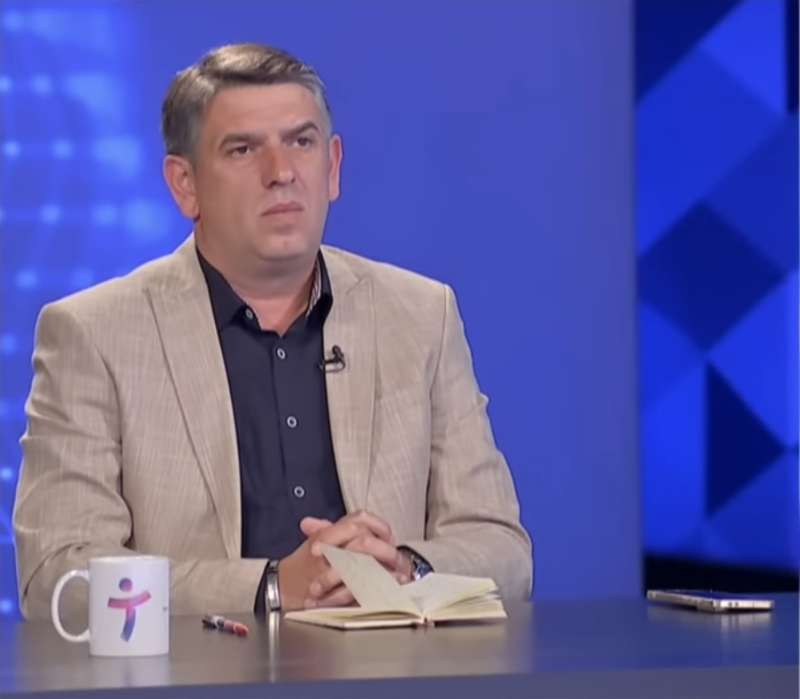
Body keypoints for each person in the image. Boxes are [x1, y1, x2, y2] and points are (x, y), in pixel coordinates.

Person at [14, 43, 532, 619]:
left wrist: (405, 568)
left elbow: (503, 550)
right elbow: (59, 576)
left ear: (332, 167)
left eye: (301, 142)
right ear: (185, 184)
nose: (281, 173)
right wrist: (272, 587)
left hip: (390, 662)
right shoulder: (94, 335)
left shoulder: (421, 315)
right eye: (243, 149)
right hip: (199, 667)